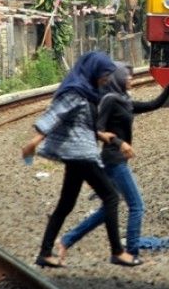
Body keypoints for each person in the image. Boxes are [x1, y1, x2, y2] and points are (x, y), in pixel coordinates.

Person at [58, 63, 169, 264]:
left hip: (116, 161)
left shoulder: (124, 101)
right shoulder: (109, 101)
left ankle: (66, 240)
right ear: (118, 79)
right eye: (127, 76)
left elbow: (153, 104)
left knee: (107, 209)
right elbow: (97, 129)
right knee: (136, 206)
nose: (131, 79)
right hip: (113, 160)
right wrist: (119, 143)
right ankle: (132, 253)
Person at [21, 51, 139, 268]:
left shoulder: (89, 92)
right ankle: (118, 252)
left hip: (79, 153)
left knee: (66, 204)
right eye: (104, 74)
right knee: (111, 197)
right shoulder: (75, 92)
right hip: (81, 154)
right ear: (93, 70)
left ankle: (45, 253)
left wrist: (104, 135)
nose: (107, 79)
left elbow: (87, 123)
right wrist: (33, 142)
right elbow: (54, 115)